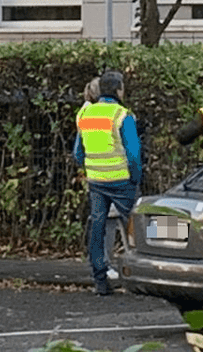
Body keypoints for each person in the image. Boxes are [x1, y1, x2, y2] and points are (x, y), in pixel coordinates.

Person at [74, 69, 140, 295]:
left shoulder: (85, 115)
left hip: (96, 181)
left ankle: (100, 280)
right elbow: (133, 154)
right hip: (122, 181)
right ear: (119, 89)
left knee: (98, 227)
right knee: (137, 228)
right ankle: (140, 277)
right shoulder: (122, 115)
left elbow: (77, 153)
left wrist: (90, 169)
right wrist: (135, 177)